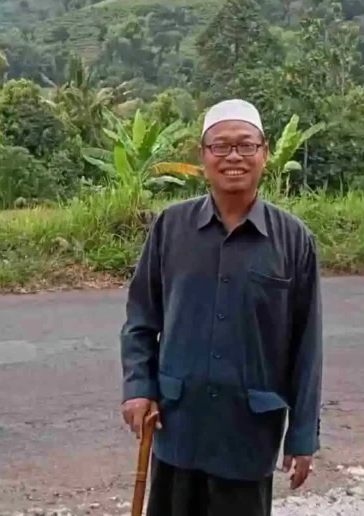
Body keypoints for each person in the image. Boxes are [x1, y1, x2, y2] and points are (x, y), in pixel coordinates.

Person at [119, 99, 324, 516]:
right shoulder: (170, 228)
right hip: (179, 427)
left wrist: (302, 436)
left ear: (265, 153)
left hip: (248, 437)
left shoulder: (293, 239)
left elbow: (307, 347)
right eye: (221, 146)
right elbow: (141, 318)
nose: (234, 157)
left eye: (246, 146)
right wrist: (139, 388)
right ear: (203, 156)